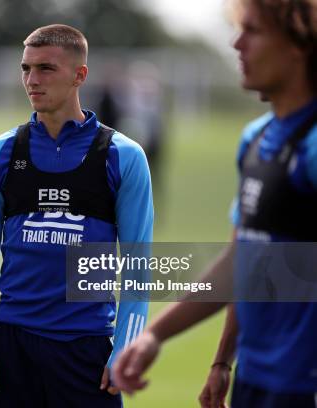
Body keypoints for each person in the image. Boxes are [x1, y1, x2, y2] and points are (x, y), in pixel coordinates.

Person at [113, 0, 317, 407]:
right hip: (255, 380)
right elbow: (244, 261)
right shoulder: (256, 140)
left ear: (299, 43)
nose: (237, 44)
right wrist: (163, 337)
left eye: (253, 31)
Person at [0, 24, 153, 407]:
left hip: (86, 349)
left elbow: (137, 264)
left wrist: (126, 350)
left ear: (80, 75)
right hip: (13, 347)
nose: (32, 80)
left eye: (46, 68)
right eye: (26, 69)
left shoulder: (123, 156)